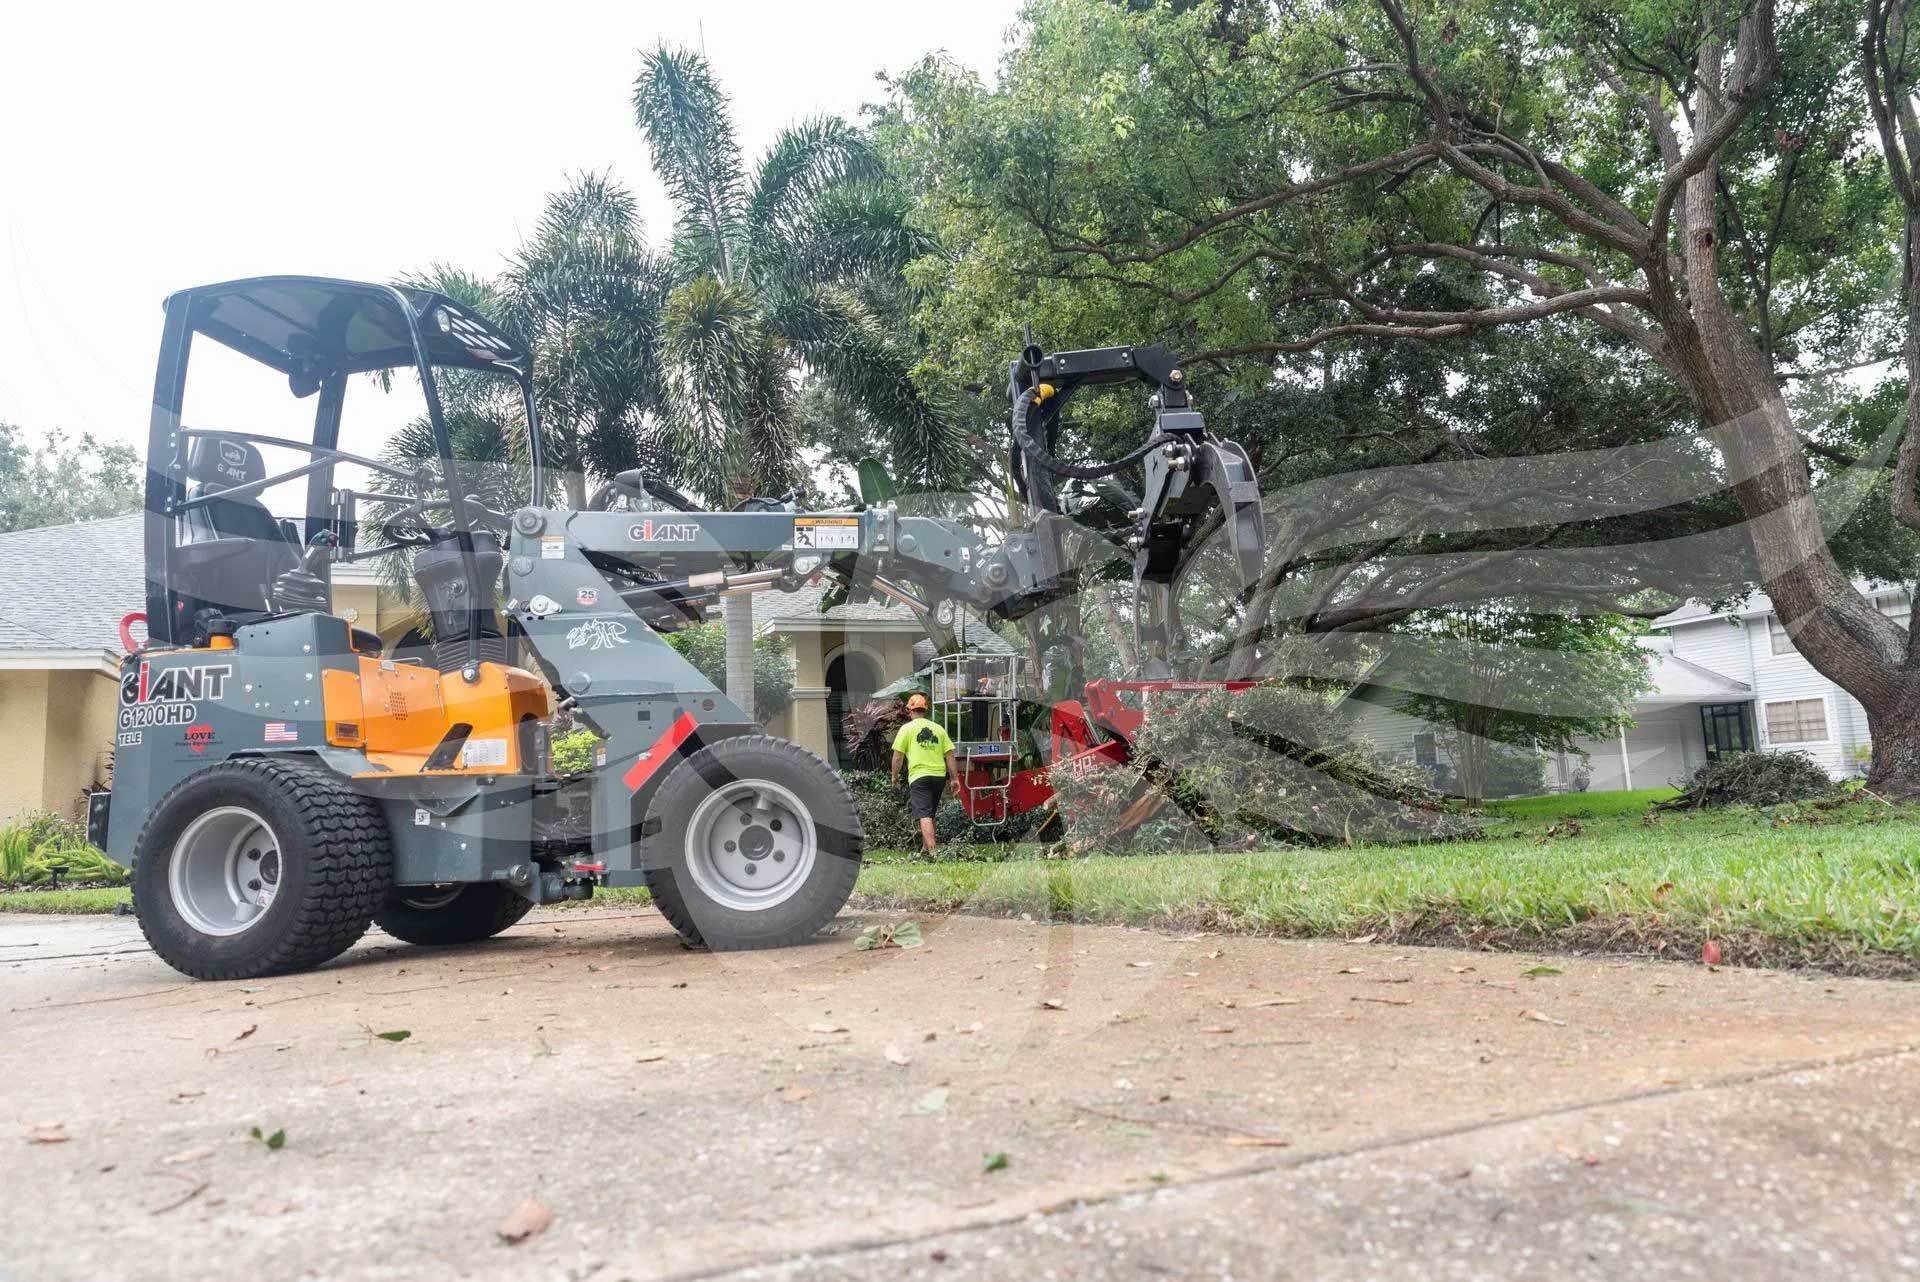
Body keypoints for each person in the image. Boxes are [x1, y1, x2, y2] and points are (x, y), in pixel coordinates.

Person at [889, 692, 960, 855]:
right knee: (930, 813)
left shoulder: (906, 729)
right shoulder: (938, 729)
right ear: (925, 710)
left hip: (919, 777)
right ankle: (925, 848)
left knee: (924, 814)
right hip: (938, 777)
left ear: (909, 710)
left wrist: (894, 776)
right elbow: (950, 755)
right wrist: (954, 779)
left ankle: (934, 852)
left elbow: (898, 756)